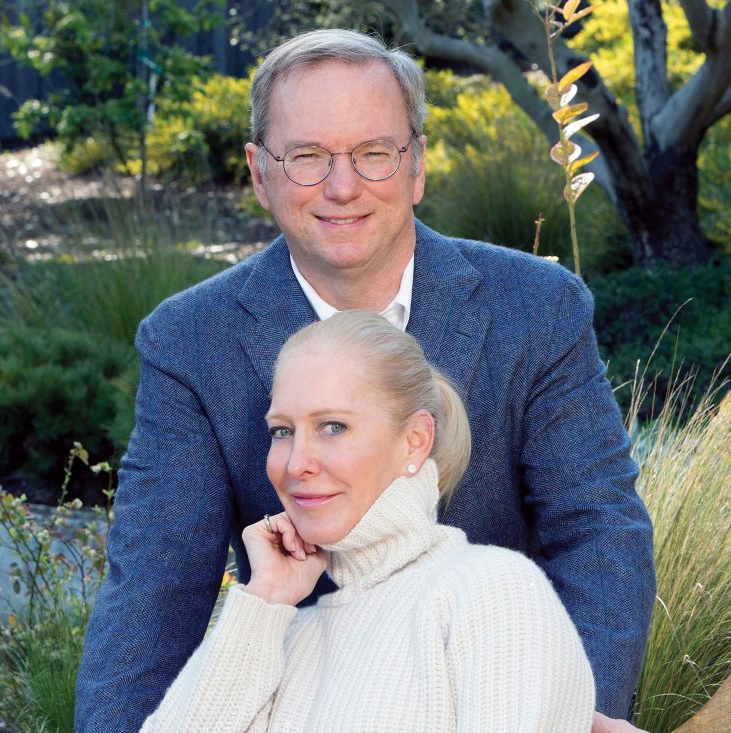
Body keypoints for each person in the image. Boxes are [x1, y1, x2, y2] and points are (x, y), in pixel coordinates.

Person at [75, 28, 656, 733]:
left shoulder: (536, 306)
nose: (342, 187)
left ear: (414, 167)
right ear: (260, 173)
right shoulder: (191, 341)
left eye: (373, 153)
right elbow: (155, 592)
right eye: (308, 157)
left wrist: (576, 711)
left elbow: (597, 527)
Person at [139, 310, 596, 733]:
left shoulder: (491, 592)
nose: (297, 462)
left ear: (415, 441)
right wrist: (265, 599)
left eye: (332, 426)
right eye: (282, 431)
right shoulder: (288, 637)